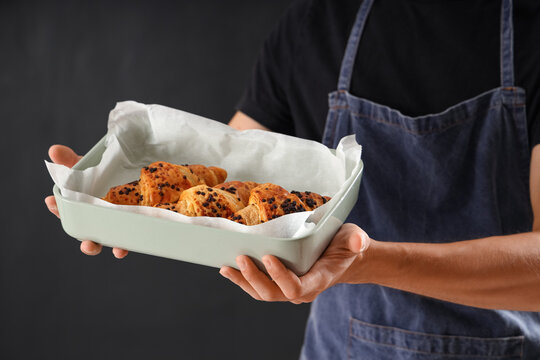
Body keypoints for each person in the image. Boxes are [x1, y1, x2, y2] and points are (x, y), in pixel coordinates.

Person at [45, 0, 540, 358]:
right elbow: (229, 177)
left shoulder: (531, 31)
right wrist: (122, 210)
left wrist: (367, 260)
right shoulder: (317, 25)